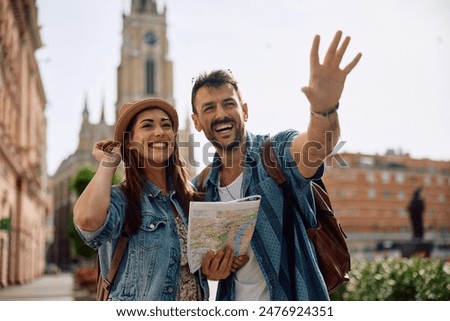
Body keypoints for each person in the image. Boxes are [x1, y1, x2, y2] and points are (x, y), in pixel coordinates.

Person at [191, 30, 362, 300]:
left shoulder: (276, 153)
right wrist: (211, 271)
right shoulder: (200, 189)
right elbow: (198, 263)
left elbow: (317, 147)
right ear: (197, 121)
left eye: (228, 104)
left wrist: (324, 110)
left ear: (244, 110)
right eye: (209, 108)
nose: (221, 114)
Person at [74, 98, 215, 300]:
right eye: (147, 125)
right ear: (129, 142)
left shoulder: (188, 197)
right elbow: (88, 221)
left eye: (166, 125)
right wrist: (109, 162)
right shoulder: (122, 199)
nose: (159, 131)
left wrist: (213, 269)